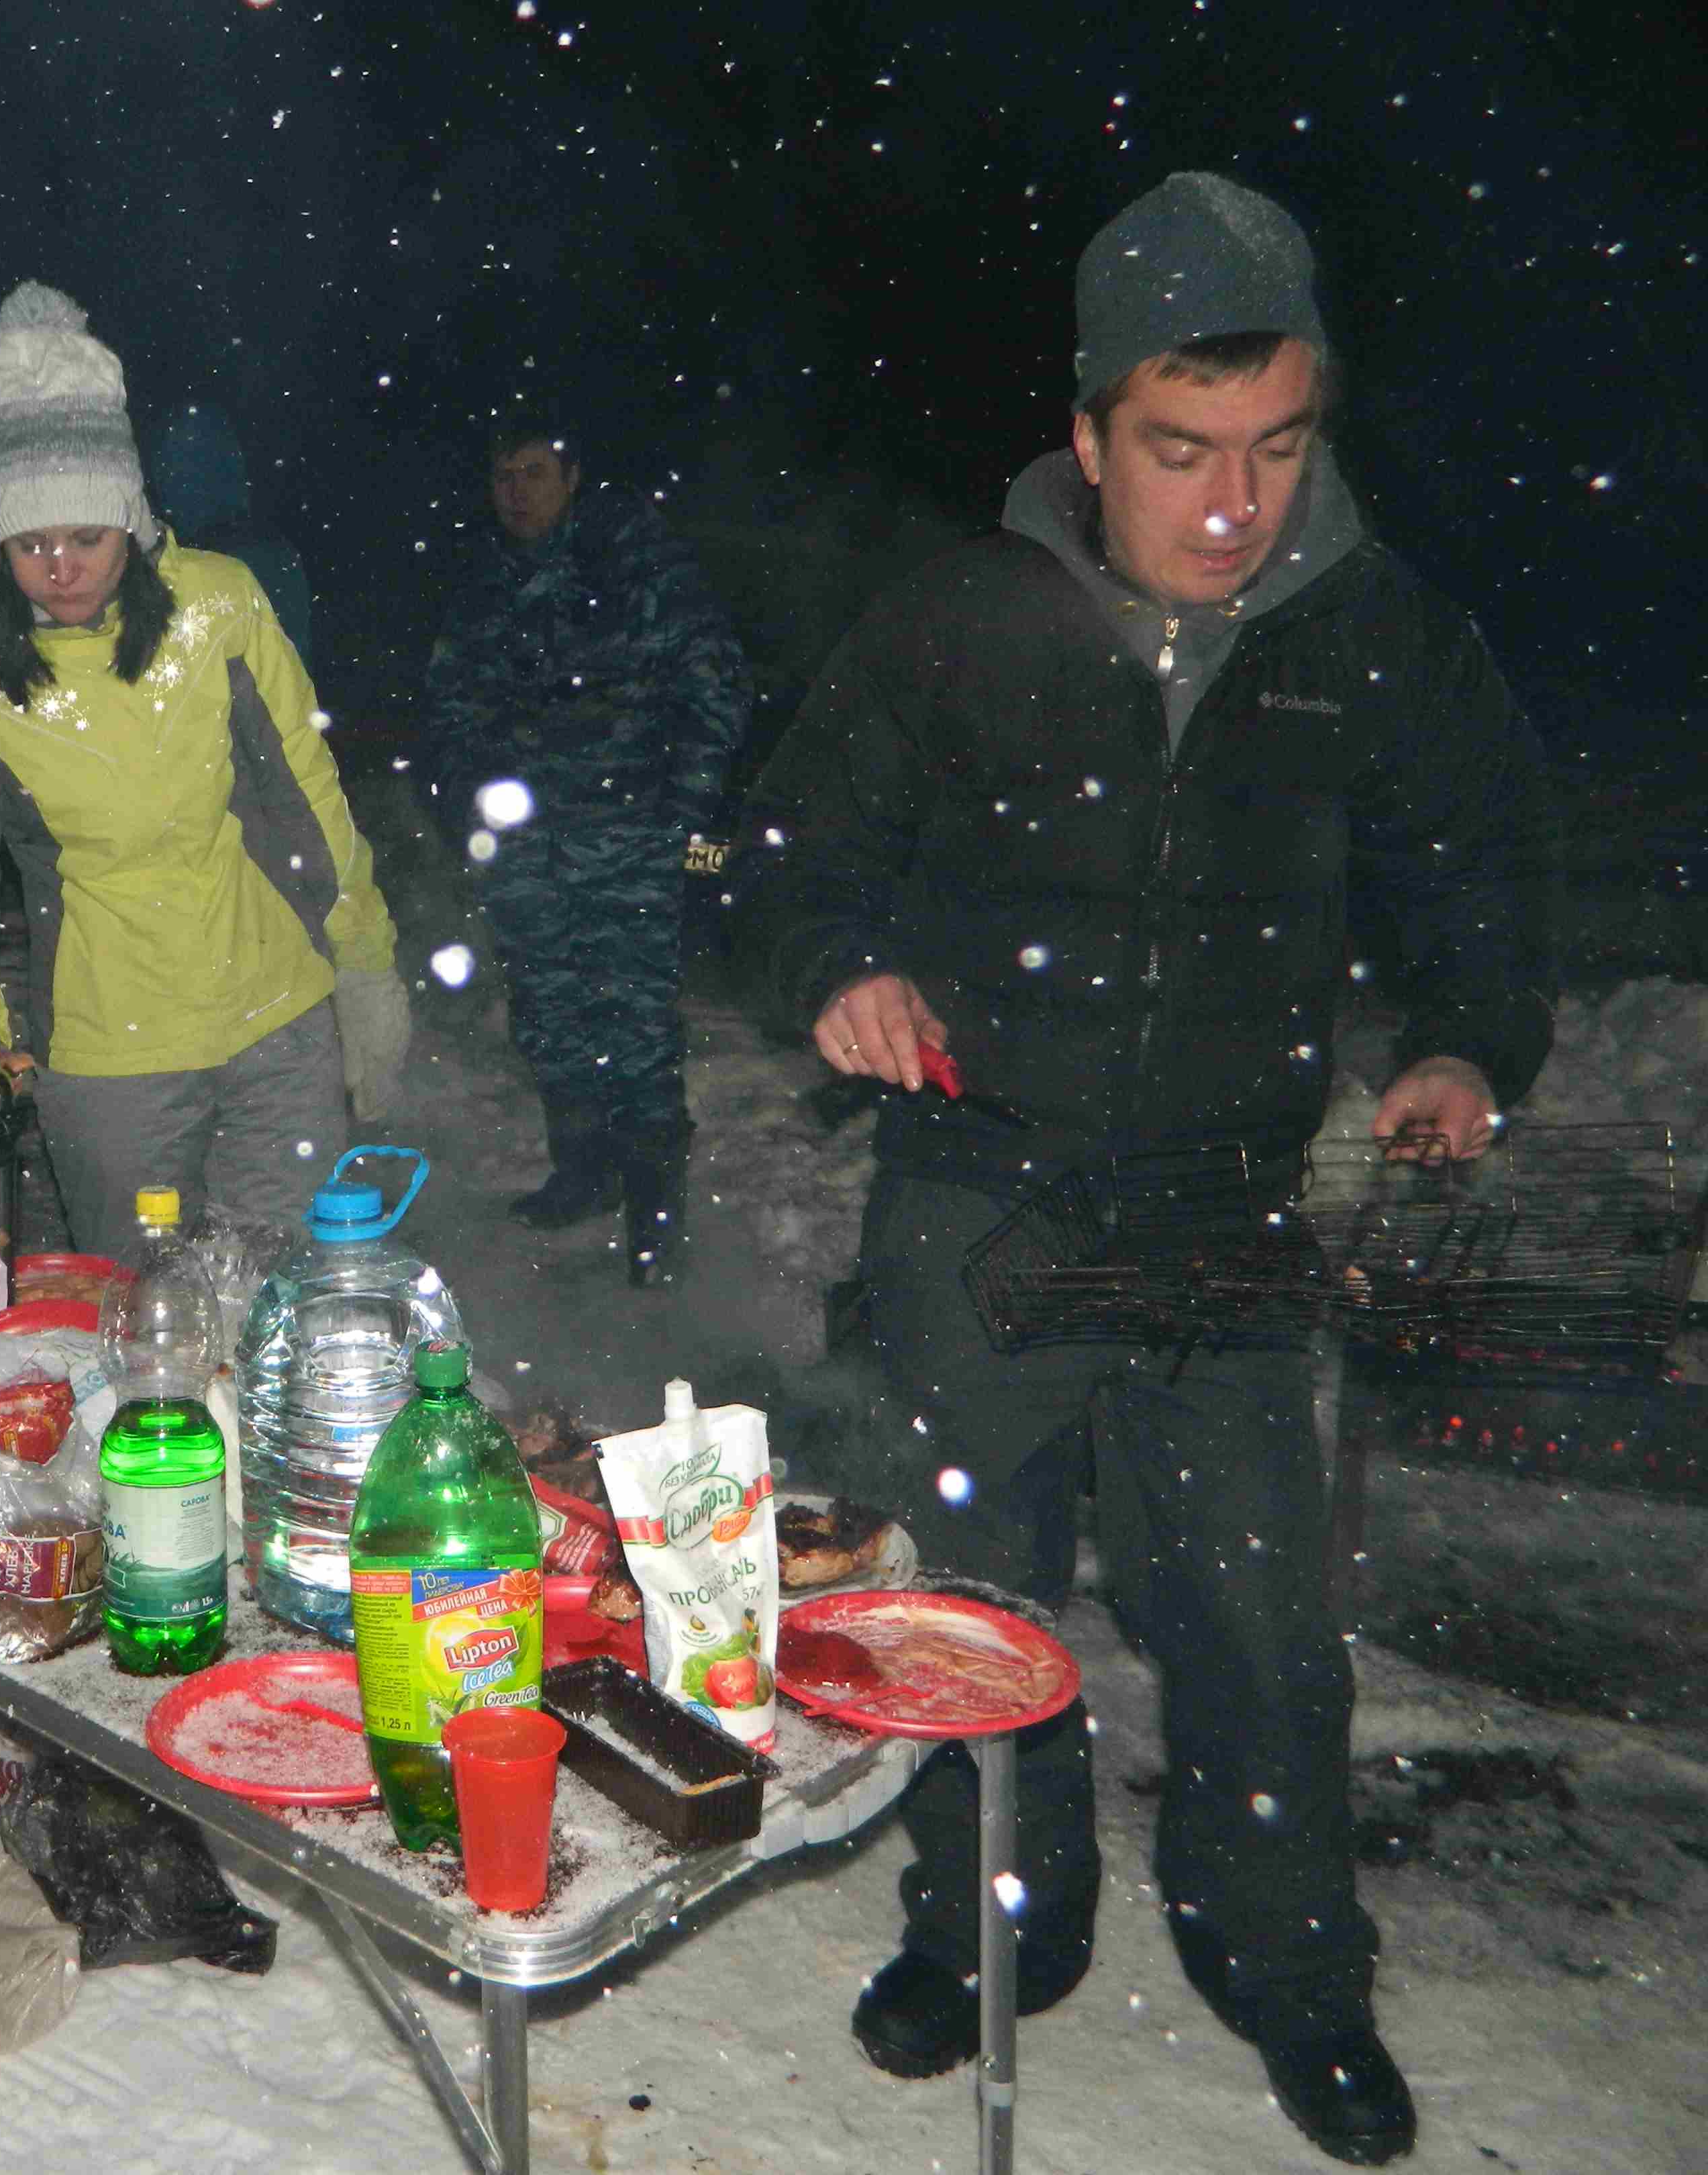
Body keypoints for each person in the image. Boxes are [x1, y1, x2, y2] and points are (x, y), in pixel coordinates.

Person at [746, 172, 1560, 2166]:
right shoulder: (958, 618)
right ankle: (990, 1927)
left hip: (1222, 1215)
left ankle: (1289, 1969)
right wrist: (837, 966)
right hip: (980, 1194)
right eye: (1184, 449)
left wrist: (1465, 1038)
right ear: (1092, 432)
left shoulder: (1373, 632)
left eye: (1278, 446)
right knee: (968, 1609)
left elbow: (1481, 867)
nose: (1235, 503)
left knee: (1260, 1631)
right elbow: (784, 852)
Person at [0, 283, 407, 1265]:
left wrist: (364, 955)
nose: (61, 568)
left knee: (285, 1294)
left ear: (130, 520)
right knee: (138, 1308)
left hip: (277, 1020)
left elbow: (306, 796)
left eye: (87, 537)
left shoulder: (219, 606)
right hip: (108, 1057)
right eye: (31, 543)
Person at [423, 404, 752, 1284]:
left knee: (633, 1025)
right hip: (524, 851)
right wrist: (466, 810)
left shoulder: (637, 566)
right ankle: (584, 1171)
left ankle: (653, 1208)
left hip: (626, 841)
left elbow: (717, 687)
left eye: (534, 473)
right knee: (549, 1015)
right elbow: (449, 708)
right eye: (503, 477)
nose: (516, 493)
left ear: (571, 479)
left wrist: (680, 812)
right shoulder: (486, 582)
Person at [146, 401, 313, 667]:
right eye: (170, 464)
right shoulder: (164, 560)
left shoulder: (260, 561)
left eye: (192, 462)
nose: (173, 479)